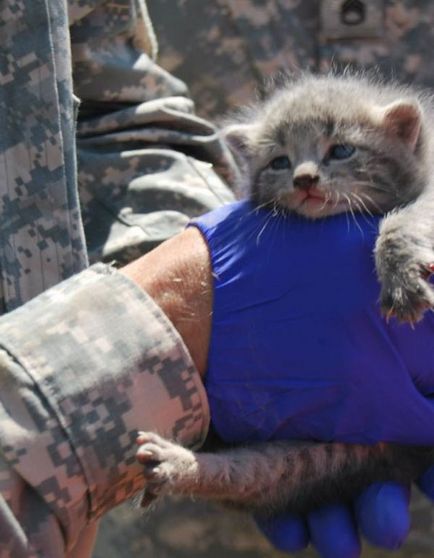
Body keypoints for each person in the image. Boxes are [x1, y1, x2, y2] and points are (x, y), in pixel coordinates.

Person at [1, 2, 433, 558]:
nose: (304, 174)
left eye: (334, 153)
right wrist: (193, 311)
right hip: (141, 485)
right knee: (274, 467)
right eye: (281, 162)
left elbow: (117, 117)